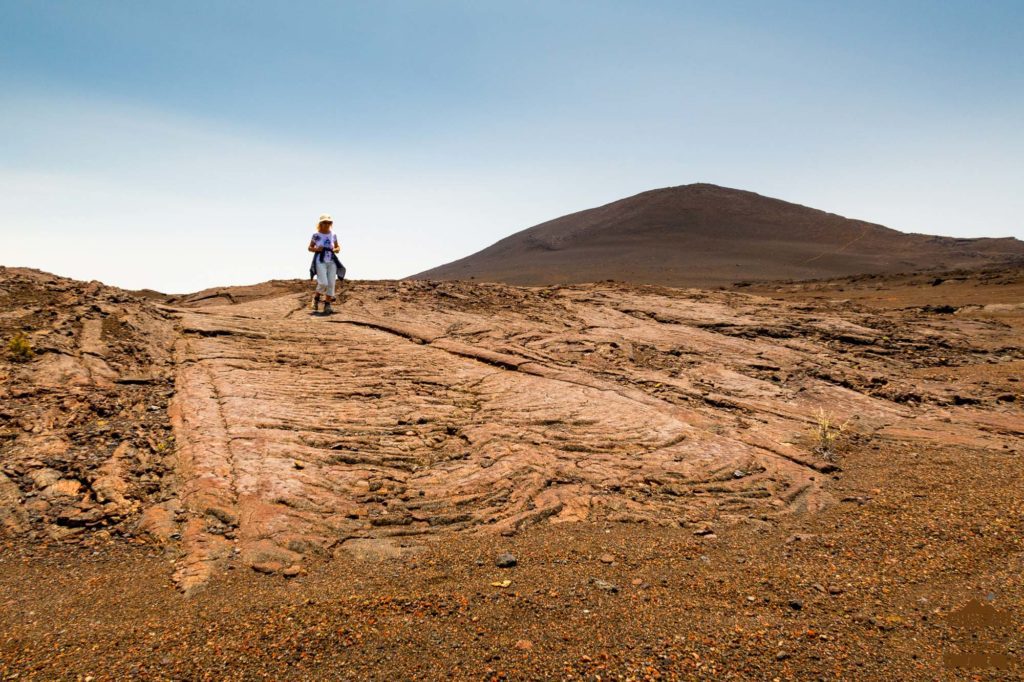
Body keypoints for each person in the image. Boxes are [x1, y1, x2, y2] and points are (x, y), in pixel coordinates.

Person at [308, 214, 345, 314]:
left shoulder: (333, 234)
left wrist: (336, 250)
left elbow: (338, 247)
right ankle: (316, 298)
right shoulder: (316, 235)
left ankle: (327, 305)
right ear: (321, 223)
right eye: (325, 222)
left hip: (332, 260)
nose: (327, 224)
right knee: (323, 282)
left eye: (329, 222)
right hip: (320, 260)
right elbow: (310, 248)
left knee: (331, 283)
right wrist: (316, 249)